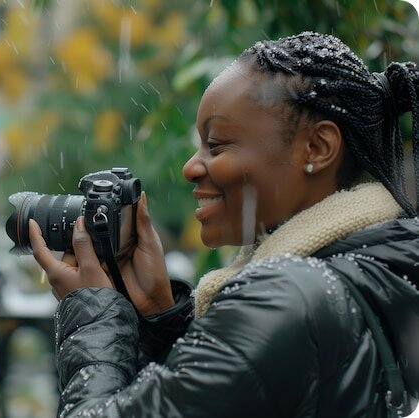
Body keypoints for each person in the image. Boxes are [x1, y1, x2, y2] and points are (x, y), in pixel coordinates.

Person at [28, 31, 419, 417]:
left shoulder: (285, 300)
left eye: (216, 145)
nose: (190, 168)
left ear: (317, 148)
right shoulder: (374, 271)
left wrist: (95, 317)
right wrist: (160, 315)